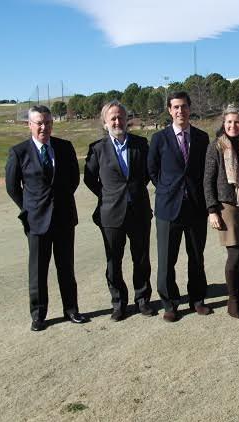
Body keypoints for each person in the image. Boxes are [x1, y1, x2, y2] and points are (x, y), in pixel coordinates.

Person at [5, 105, 87, 331]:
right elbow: (13, 187)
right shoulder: (19, 152)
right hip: (36, 221)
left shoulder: (64, 147)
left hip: (63, 218)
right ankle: (39, 315)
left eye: (48, 122)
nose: (44, 127)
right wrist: (28, 208)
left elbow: (73, 180)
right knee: (38, 270)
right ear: (29, 125)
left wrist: (59, 200)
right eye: (39, 123)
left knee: (66, 267)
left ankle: (71, 310)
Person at [84, 101, 153, 321]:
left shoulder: (141, 144)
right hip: (111, 214)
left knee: (141, 258)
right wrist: (107, 195)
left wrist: (133, 192)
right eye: (112, 118)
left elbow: (147, 174)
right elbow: (89, 178)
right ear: (105, 123)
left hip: (139, 211)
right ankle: (118, 303)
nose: (117, 121)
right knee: (114, 261)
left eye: (121, 117)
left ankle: (142, 299)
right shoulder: (97, 148)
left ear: (127, 119)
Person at [147, 91, 211, 322]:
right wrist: (168, 190)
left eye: (183, 106)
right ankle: (170, 303)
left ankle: (197, 300)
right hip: (168, 208)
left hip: (195, 207)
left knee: (196, 257)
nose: (180, 111)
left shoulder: (202, 138)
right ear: (169, 110)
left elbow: (206, 171)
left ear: (189, 108)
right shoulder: (159, 139)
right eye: (175, 107)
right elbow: (152, 171)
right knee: (166, 260)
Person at [204, 106, 239, 318]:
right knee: (234, 256)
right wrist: (212, 210)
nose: (232, 126)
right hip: (227, 206)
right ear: (223, 124)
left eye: (236, 122)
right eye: (228, 122)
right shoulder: (216, 146)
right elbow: (207, 180)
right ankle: (233, 301)